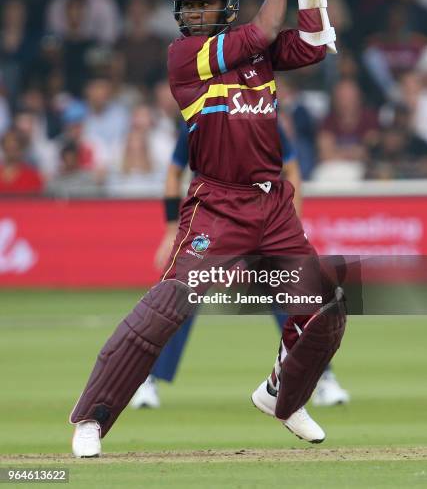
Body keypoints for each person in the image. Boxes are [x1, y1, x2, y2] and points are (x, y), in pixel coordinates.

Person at [71, 0, 346, 457]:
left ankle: (281, 397)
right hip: (219, 207)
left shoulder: (258, 57)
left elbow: (311, 45)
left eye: (207, 5)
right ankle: (92, 418)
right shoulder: (186, 57)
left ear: (225, 7)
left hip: (274, 206)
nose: (196, 14)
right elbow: (267, 26)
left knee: (326, 310)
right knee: (166, 308)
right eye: (189, 7)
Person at [130, 120, 349, 409]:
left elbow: (292, 169)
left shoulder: (263, 118)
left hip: (263, 221)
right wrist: (172, 229)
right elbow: (173, 173)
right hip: (213, 222)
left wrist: (290, 223)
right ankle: (149, 380)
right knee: (179, 296)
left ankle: (321, 379)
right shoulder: (201, 120)